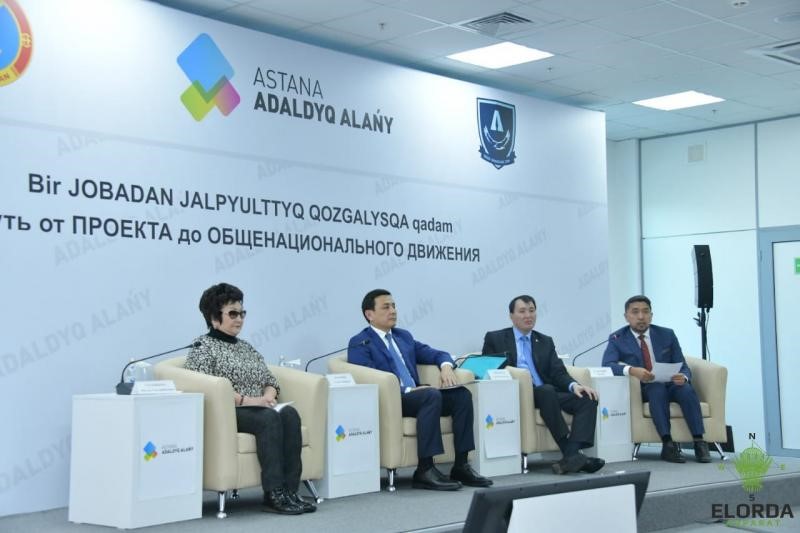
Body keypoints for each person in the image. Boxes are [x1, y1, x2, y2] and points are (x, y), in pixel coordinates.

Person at [185, 282, 315, 514]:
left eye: (242, 313)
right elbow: (207, 386)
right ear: (214, 318)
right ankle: (274, 494)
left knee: (289, 414)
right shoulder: (202, 346)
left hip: (259, 407)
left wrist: (268, 395)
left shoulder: (246, 347)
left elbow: (269, 378)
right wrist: (250, 401)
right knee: (268, 418)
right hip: (229, 412)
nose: (240, 319)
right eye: (232, 314)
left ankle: (290, 491)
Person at [347, 289, 492, 491]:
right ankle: (425, 469)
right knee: (430, 394)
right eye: (386, 307)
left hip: (420, 397)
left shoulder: (403, 337)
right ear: (369, 314)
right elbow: (367, 378)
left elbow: (437, 354)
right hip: (393, 399)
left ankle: (461, 465)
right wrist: (408, 389)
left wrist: (446, 367)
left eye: (394, 306)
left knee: (461, 395)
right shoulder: (360, 342)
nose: (393, 311)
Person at [482, 295, 605, 475]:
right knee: (546, 390)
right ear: (511, 316)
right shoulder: (496, 338)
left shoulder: (545, 341)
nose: (528, 315)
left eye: (532, 311)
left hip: (547, 394)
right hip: (519, 393)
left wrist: (575, 386)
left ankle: (571, 456)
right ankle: (572, 454)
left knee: (587, 398)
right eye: (522, 311)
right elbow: (490, 368)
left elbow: (558, 372)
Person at [602, 295, 711, 463]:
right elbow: (607, 365)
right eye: (635, 312)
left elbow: (682, 364)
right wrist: (632, 370)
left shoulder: (667, 334)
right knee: (656, 389)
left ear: (651, 315)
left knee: (686, 390)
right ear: (626, 316)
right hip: (644, 387)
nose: (641, 317)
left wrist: (684, 377)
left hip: (671, 383)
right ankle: (667, 444)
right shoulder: (618, 338)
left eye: (645, 312)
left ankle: (699, 441)